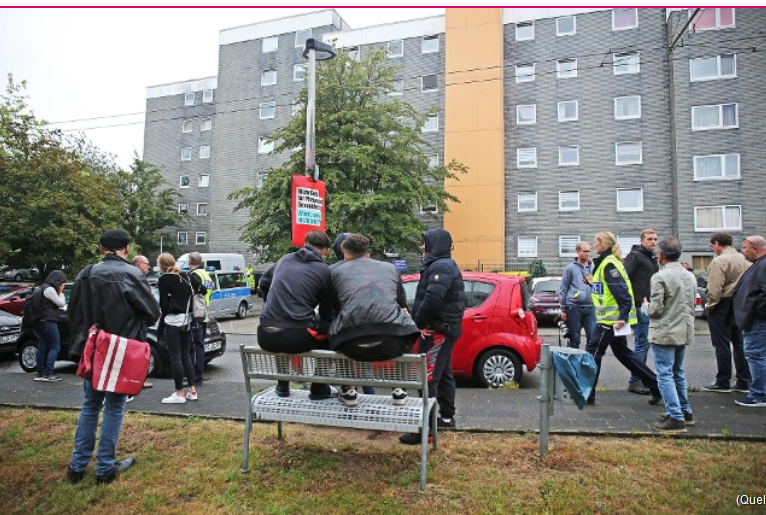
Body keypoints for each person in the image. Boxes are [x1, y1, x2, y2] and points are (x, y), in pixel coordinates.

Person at [66, 229, 160, 485]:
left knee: (90, 405)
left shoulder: (86, 274)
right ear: (126, 250)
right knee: (115, 406)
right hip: (121, 349)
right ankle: (104, 468)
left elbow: (73, 312)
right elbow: (153, 312)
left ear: (101, 249)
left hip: (94, 348)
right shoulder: (132, 274)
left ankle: (77, 467)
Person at [328, 234, 420, 406]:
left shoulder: (335, 272)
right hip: (391, 345)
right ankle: (400, 389)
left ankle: (348, 392)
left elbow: (334, 308)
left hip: (351, 346)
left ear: (346, 255)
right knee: (406, 323)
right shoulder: (390, 269)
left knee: (335, 327)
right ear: (367, 253)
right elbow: (401, 303)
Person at [400, 229, 465, 445]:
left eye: (425, 244)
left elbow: (432, 298)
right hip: (443, 329)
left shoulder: (440, 267)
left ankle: (425, 430)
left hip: (437, 331)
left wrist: (417, 325)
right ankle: (446, 417)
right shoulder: (442, 265)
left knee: (427, 378)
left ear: (434, 245)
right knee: (443, 373)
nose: (422, 248)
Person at [585, 231, 662, 406]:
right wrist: (592, 283)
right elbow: (608, 289)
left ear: (603, 245)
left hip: (611, 320)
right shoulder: (607, 262)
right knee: (624, 354)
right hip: (611, 319)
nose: (593, 245)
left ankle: (587, 394)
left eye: (595, 242)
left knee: (593, 353)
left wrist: (622, 317)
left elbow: (623, 295)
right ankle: (656, 385)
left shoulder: (609, 265)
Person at [257, 230, 335, 400]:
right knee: (329, 332)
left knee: (284, 328)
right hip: (296, 338)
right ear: (327, 251)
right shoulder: (323, 270)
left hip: (264, 334)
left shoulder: (284, 259)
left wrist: (270, 304)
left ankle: (282, 385)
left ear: (305, 242)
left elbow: (263, 283)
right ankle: (319, 388)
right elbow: (327, 313)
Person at [641, 238, 697, 432]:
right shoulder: (690, 276)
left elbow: (656, 308)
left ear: (661, 255)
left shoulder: (660, 277)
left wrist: (644, 307)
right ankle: (685, 411)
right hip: (684, 328)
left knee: (664, 374)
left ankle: (675, 417)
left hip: (665, 330)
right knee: (678, 372)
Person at [703, 232, 751, 393]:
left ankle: (723, 381)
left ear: (717, 243)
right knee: (739, 342)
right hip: (740, 303)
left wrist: (711, 305)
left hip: (723, 304)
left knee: (721, 343)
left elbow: (715, 287)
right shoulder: (744, 259)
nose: (713, 249)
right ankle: (744, 381)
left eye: (712, 246)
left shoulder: (720, 261)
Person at [330, 232, 375, 395]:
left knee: (345, 370)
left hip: (342, 330)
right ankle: (371, 401)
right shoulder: (372, 269)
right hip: (366, 328)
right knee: (365, 370)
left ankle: (349, 398)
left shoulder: (333, 271)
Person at [156, 253, 198, 404]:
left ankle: (179, 393)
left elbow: (163, 305)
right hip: (188, 320)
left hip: (173, 322)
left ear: (161, 265)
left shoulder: (164, 279)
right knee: (186, 356)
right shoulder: (186, 276)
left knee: (175, 358)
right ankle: (192, 391)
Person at [623, 229, 659, 395]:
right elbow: (624, 278)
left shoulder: (651, 256)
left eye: (655, 239)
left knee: (644, 343)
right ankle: (636, 380)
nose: (653, 242)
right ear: (642, 240)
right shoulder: (636, 256)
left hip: (648, 305)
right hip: (638, 305)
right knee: (642, 344)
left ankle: (639, 378)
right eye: (650, 239)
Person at [732, 236, 766, 407]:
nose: (742, 251)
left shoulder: (763, 265)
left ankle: (759, 394)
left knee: (755, 354)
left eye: (744, 248)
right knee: (757, 354)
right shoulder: (758, 264)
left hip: (757, 321)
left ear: (755, 247)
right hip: (754, 319)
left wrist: (756, 311)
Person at [558, 241, 596, 350]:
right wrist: (563, 309)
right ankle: (574, 365)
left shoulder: (594, 267)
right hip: (574, 307)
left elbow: (599, 287)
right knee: (575, 339)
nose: (587, 254)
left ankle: (589, 364)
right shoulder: (570, 268)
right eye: (584, 251)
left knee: (592, 338)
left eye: (589, 251)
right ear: (578, 251)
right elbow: (563, 289)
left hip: (590, 307)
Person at [32, 269, 67, 382]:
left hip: (40, 321)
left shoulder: (42, 288)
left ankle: (40, 373)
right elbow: (61, 303)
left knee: (42, 346)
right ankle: (48, 373)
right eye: (61, 282)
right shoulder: (50, 289)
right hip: (49, 321)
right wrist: (61, 292)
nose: (62, 285)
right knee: (55, 346)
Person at [187, 252, 212, 387]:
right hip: (204, 314)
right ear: (201, 262)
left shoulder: (194, 276)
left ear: (190, 263)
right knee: (200, 346)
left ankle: (195, 377)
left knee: (193, 347)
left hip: (195, 315)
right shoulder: (207, 275)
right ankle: (199, 375)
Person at [130, 255, 154, 394]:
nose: (149, 267)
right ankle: (135, 381)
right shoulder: (136, 279)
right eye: (147, 264)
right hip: (138, 322)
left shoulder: (133, 277)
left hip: (136, 321)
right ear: (139, 264)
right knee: (137, 351)